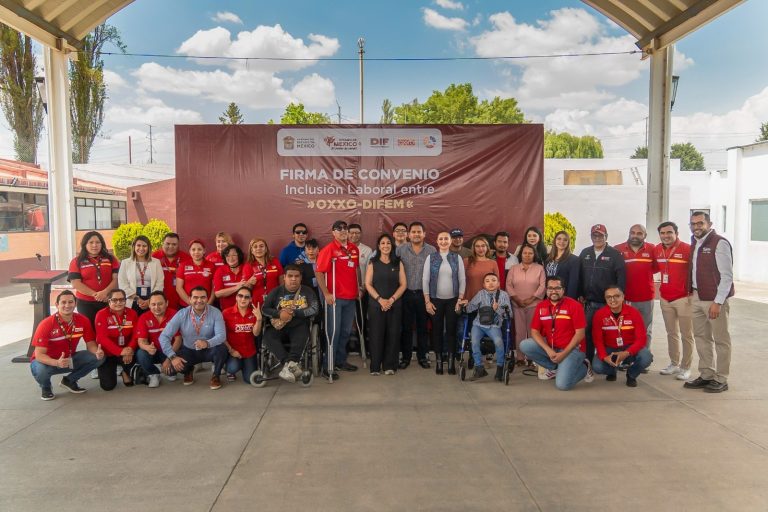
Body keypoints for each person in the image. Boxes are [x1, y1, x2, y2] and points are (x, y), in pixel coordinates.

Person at [684, 211, 734, 393]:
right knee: (701, 338)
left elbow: (727, 276)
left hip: (714, 300)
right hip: (697, 297)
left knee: (721, 340)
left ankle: (721, 378)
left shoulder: (719, 243)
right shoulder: (695, 243)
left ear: (709, 224)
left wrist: (718, 302)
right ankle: (706, 374)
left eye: (700, 223)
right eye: (693, 223)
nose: (696, 226)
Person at [520, 276, 592, 391]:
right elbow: (534, 331)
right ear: (546, 290)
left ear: (563, 289)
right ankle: (554, 367)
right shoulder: (541, 306)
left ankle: (584, 367)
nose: (553, 291)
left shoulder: (574, 305)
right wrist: (548, 350)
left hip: (573, 349)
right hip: (553, 348)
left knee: (563, 385)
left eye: (557, 288)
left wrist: (563, 354)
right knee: (525, 345)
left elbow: (580, 334)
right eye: (550, 288)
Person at [29, 290, 104, 400]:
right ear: (57, 305)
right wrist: (56, 362)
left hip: (68, 359)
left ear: (75, 303)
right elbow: (39, 355)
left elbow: (91, 343)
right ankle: (46, 387)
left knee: (99, 358)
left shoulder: (83, 320)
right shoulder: (46, 324)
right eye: (63, 302)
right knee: (41, 370)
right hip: (46, 361)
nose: (67, 305)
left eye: (70, 302)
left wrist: (97, 351)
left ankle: (69, 381)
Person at [315, 220, 361, 379]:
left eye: (344, 228)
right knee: (333, 332)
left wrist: (359, 287)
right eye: (338, 229)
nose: (342, 231)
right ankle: (328, 365)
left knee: (346, 331)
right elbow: (319, 272)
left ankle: (340, 361)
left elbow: (356, 269)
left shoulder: (354, 249)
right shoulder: (329, 250)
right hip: (335, 298)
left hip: (351, 297)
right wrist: (326, 293)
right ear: (333, 233)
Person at [160, 286, 227, 390]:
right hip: (189, 351)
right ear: (190, 299)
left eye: (203, 297)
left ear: (207, 298)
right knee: (171, 370)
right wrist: (172, 357)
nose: (199, 300)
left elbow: (221, 336)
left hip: (209, 349)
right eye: (195, 297)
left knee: (221, 349)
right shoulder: (181, 314)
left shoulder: (215, 312)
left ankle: (216, 375)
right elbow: (164, 336)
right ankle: (188, 370)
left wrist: (207, 343)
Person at [262, 265, 319, 382]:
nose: (293, 279)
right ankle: (288, 365)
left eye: (296, 276)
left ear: (301, 278)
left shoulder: (307, 291)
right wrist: (279, 314)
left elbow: (314, 309)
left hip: (299, 324)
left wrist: (294, 313)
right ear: (284, 278)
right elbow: (265, 309)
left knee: (302, 333)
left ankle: (290, 364)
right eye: (290, 276)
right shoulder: (276, 291)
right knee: (268, 336)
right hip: (280, 325)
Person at [578, 224, 626, 363]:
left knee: (609, 334)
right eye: (595, 235)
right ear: (591, 237)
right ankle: (588, 362)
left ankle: (610, 365)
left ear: (606, 237)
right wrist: (580, 293)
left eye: (601, 235)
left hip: (608, 303)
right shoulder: (585, 253)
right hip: (590, 303)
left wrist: (618, 299)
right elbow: (580, 275)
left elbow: (621, 278)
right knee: (588, 333)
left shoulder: (615, 254)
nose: (597, 238)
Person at [654, 221, 694, 381]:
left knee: (686, 334)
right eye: (662, 233)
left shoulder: (687, 249)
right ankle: (674, 363)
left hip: (684, 298)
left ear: (676, 233)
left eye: (669, 232)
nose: (666, 236)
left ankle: (686, 367)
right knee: (671, 333)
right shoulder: (657, 250)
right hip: (665, 298)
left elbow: (694, 271)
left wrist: (692, 293)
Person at [591, 285, 653, 387]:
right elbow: (597, 340)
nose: (613, 300)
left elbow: (641, 339)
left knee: (646, 357)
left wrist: (626, 353)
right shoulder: (600, 314)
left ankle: (631, 374)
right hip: (610, 349)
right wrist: (604, 357)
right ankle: (612, 371)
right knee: (597, 366)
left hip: (629, 348)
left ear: (623, 297)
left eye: (616, 296)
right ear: (605, 299)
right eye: (609, 297)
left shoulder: (634, 313)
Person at [423, 231, 466, 375]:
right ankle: (439, 361)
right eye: (440, 238)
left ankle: (452, 361)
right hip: (435, 300)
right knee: (437, 331)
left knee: (451, 331)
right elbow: (425, 280)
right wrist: (427, 301)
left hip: (453, 300)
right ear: (437, 241)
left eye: (446, 239)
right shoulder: (431, 257)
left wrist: (460, 299)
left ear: (450, 241)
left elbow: (462, 279)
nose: (443, 241)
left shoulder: (456, 257)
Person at [396, 221, 437, 369]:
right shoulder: (400, 250)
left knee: (422, 327)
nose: (416, 234)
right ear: (409, 234)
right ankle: (405, 358)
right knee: (406, 327)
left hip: (423, 295)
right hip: (405, 294)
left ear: (424, 234)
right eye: (413, 232)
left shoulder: (432, 250)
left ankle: (422, 357)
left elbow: (435, 274)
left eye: (419, 232)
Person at [365, 234, 407, 375]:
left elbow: (403, 284)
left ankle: (390, 365)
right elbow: (368, 284)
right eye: (382, 243)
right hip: (376, 305)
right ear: (378, 246)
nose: (385, 246)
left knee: (393, 335)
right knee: (376, 335)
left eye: (388, 243)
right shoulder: (372, 262)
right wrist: (380, 300)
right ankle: (375, 366)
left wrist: (392, 300)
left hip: (394, 305)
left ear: (392, 245)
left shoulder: (398, 262)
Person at [466, 273, 513, 381]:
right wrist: (464, 304)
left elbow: (509, 315)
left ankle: (500, 368)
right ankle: (479, 368)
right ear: (483, 284)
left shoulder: (503, 295)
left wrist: (498, 309)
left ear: (498, 283)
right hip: (478, 324)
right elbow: (470, 308)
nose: (490, 283)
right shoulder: (480, 294)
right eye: (487, 281)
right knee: (474, 341)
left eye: (493, 280)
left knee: (498, 342)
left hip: (494, 325)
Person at [68, 230, 119, 326]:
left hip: (107, 301)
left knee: (108, 328)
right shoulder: (77, 261)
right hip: (85, 304)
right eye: (91, 242)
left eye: (97, 242)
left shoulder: (111, 259)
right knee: (90, 330)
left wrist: (105, 293)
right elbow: (76, 283)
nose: (94, 245)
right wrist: (96, 295)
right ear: (85, 244)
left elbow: (116, 279)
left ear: (102, 244)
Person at [614, 224, 656, 339]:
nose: (635, 236)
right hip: (626, 298)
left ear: (645, 235)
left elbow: (656, 268)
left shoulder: (652, 249)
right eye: (632, 233)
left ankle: (644, 356)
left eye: (639, 233)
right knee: (626, 330)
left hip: (646, 298)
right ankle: (628, 355)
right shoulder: (618, 249)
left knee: (646, 330)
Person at [506, 244, 546, 365]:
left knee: (533, 331)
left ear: (534, 255)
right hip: (517, 304)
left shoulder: (539, 268)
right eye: (525, 253)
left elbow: (543, 285)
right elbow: (508, 285)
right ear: (521, 254)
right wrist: (517, 299)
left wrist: (532, 298)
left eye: (530, 253)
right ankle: (520, 357)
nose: (527, 255)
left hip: (534, 304)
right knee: (520, 332)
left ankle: (532, 357)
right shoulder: (513, 268)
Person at [94, 289, 139, 391]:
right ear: (109, 301)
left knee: (139, 351)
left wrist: (130, 349)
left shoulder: (132, 313)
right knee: (107, 386)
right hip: (108, 353)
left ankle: (125, 371)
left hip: (127, 351)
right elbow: (101, 338)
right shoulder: (101, 314)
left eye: (121, 299)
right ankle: (113, 369)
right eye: (114, 300)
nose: (118, 303)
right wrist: (120, 351)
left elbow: (136, 335)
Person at [134, 291, 180, 388]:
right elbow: (141, 341)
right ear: (149, 305)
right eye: (153, 304)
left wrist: (169, 358)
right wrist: (147, 347)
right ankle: (154, 374)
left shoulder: (175, 314)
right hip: (153, 351)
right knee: (141, 353)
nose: (157, 307)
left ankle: (168, 369)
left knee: (172, 375)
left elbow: (178, 339)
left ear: (166, 303)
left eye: (160, 304)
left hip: (170, 351)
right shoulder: (143, 317)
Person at [223, 286, 262, 383]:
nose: (243, 299)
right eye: (240, 296)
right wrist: (231, 351)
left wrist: (259, 319)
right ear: (236, 297)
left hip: (249, 352)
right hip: (234, 351)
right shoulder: (226, 313)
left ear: (250, 299)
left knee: (250, 380)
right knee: (232, 367)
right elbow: (221, 335)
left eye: (246, 297)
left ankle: (244, 365)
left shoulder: (254, 313)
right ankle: (230, 368)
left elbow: (256, 333)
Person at [118, 235, 164, 314]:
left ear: (148, 247)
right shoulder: (125, 263)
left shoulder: (156, 262)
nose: (141, 248)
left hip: (152, 300)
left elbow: (160, 283)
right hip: (132, 299)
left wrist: (150, 300)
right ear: (134, 247)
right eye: (138, 245)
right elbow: (122, 284)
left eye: (144, 246)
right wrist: (138, 299)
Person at [152, 232, 190, 311]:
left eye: (174, 244)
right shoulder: (154, 257)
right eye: (168, 244)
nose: (170, 247)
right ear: (163, 243)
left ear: (178, 245)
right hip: (159, 303)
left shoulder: (186, 258)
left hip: (181, 303)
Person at [243, 238, 284, 307]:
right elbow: (246, 289)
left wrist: (282, 296)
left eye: (261, 246)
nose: (258, 248)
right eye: (255, 247)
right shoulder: (248, 266)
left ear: (266, 249)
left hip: (275, 300)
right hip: (257, 303)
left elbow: (282, 281)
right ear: (251, 251)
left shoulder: (275, 261)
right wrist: (249, 282)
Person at [176, 239, 215, 307]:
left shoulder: (211, 266)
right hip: (187, 305)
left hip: (206, 305)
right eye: (193, 249)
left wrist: (209, 303)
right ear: (190, 251)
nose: (196, 252)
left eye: (199, 249)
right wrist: (190, 303)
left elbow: (214, 287)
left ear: (204, 251)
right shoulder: (183, 266)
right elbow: (179, 288)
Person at [544, 230, 580, 299]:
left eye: (565, 240)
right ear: (555, 240)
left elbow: (573, 283)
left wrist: (569, 301)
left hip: (563, 297)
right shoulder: (547, 258)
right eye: (559, 239)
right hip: (548, 296)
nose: (561, 242)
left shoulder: (574, 259)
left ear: (568, 242)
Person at [213, 244, 249, 311]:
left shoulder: (246, 268)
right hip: (226, 311)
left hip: (246, 310)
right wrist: (236, 287)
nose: (231, 258)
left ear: (239, 256)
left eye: (234, 255)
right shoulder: (220, 271)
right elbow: (218, 294)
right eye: (228, 255)